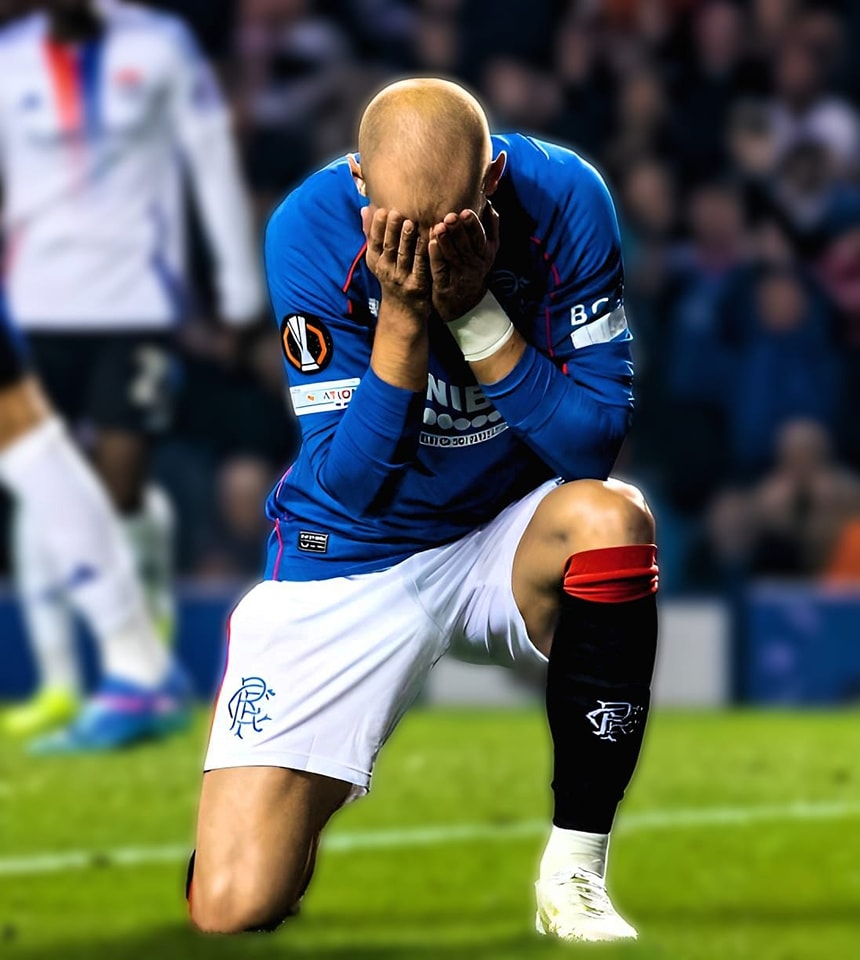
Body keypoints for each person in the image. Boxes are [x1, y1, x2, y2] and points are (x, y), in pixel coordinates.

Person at [190, 78, 659, 944]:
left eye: (450, 228)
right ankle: (290, 797)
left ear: (493, 182)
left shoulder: (566, 197)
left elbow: (591, 446)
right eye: (399, 232)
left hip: (504, 531)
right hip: (350, 549)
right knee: (233, 905)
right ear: (358, 181)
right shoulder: (307, 227)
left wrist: (473, 311)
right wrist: (405, 318)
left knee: (612, 519)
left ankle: (574, 870)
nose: (424, 250)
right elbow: (353, 485)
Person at [0, 0, 263, 739]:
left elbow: (209, 159)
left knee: (115, 486)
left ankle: (140, 654)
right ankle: (65, 678)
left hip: (133, 299)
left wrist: (239, 287)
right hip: (34, 299)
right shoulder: (10, 56)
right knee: (35, 470)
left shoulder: (158, 45)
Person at [0, 309, 189, 749]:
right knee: (20, 433)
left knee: (19, 429)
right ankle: (138, 665)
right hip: (44, 307)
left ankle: (139, 667)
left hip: (124, 310)